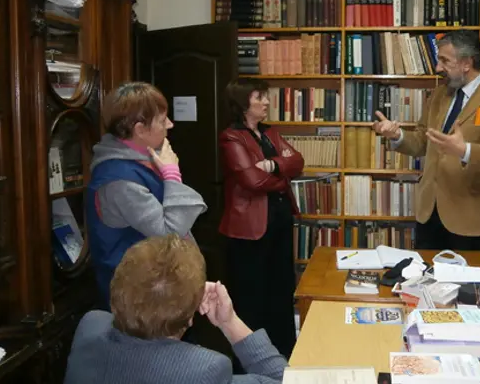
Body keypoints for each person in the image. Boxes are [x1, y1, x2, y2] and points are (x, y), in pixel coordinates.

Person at [372, 30, 480, 251]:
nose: (438, 68)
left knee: (468, 274)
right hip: (429, 213)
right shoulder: (439, 94)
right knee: (425, 272)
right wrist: (397, 136)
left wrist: (465, 151)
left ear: (466, 63)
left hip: (471, 218)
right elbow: (423, 141)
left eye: (445, 61)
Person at [63, 234, 287, 384]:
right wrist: (229, 322)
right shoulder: (205, 371)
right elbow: (285, 380)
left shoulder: (90, 327)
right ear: (190, 318)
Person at [87, 82, 207, 308]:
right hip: (140, 299)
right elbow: (169, 234)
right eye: (162, 120)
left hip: (155, 286)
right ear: (140, 130)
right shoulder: (119, 180)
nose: (170, 124)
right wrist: (172, 175)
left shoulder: (141, 157)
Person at [219, 78, 304, 360]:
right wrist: (282, 176)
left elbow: (298, 162)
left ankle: (283, 355)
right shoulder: (232, 137)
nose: (266, 102)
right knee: (252, 298)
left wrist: (272, 165)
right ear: (243, 103)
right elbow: (252, 181)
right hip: (249, 230)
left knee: (281, 290)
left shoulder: (271, 133)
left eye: (265, 96)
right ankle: (251, 361)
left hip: (279, 223)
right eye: (259, 97)